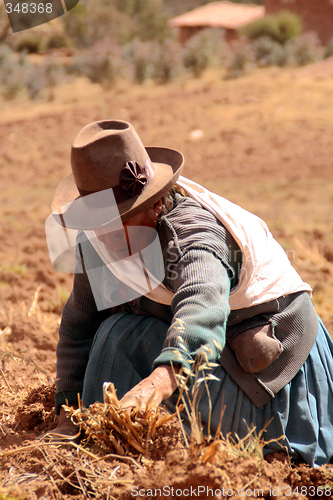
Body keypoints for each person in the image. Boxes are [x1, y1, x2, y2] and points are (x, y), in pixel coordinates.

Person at [47, 119, 333, 466]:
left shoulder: (193, 237)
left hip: (270, 382)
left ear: (153, 204)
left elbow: (203, 305)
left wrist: (161, 380)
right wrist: (68, 413)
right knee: (114, 333)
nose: (102, 235)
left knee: (129, 342)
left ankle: (258, 450)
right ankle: (100, 444)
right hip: (215, 357)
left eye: (116, 220)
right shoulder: (101, 242)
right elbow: (80, 325)